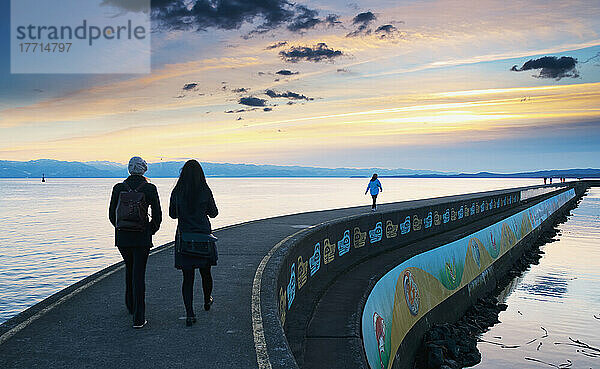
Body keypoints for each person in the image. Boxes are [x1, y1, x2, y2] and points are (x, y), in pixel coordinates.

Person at [109, 156, 162, 329]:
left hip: (123, 237)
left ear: (129, 169)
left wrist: (121, 229)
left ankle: (130, 305)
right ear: (144, 169)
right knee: (139, 274)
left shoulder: (118, 188)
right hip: (141, 237)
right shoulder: (149, 188)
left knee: (129, 268)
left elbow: (112, 214)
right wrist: (150, 230)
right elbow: (158, 215)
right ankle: (139, 318)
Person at [169, 160, 218, 326]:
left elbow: (172, 215)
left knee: (187, 278)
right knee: (206, 273)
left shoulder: (177, 191)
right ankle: (207, 299)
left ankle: (190, 314)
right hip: (203, 237)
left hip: (185, 239)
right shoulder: (204, 190)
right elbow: (214, 213)